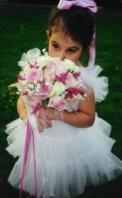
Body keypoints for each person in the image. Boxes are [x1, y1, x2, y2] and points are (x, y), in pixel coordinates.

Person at [5, 0, 122, 198]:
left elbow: (88, 117)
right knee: (43, 166)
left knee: (63, 169)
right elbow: (23, 99)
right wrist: (27, 118)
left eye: (71, 50)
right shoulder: (38, 69)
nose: (60, 57)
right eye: (55, 45)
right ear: (48, 36)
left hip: (69, 137)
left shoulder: (83, 81)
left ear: (83, 49)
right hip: (41, 135)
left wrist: (56, 114)